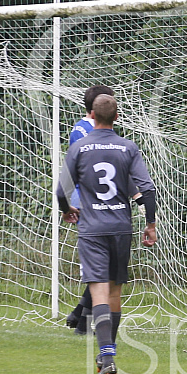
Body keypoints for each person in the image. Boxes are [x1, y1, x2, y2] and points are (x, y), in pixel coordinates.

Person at [57, 94, 157, 374]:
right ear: (116, 117)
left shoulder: (79, 147)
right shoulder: (128, 147)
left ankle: (108, 359)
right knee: (114, 293)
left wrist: (67, 210)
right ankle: (107, 354)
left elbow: (61, 192)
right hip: (121, 228)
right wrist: (150, 225)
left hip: (92, 229)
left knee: (99, 291)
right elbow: (146, 190)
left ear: (91, 115)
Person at [65, 85, 115, 335]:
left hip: (91, 200)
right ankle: (82, 316)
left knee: (103, 267)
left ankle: (81, 319)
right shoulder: (86, 132)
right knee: (103, 268)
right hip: (90, 201)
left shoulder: (83, 128)